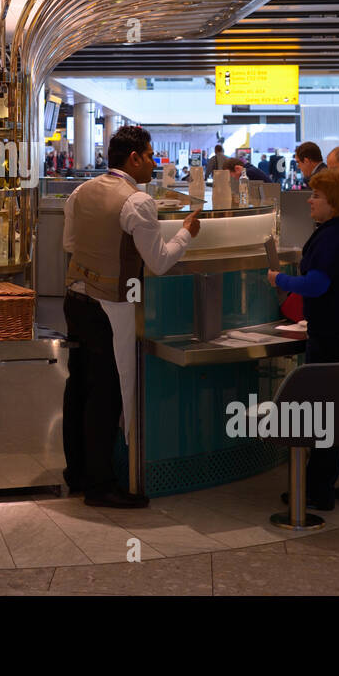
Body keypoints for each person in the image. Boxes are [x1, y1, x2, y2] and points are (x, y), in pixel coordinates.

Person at [63, 125, 202, 509]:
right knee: (107, 394)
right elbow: (158, 261)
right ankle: (100, 485)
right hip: (110, 306)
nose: (154, 163)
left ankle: (77, 473)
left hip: (75, 297)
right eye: (151, 155)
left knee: (79, 387)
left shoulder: (80, 191)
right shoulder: (137, 202)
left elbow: (69, 243)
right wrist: (186, 233)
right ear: (134, 157)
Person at [267, 169, 339, 508]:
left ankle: (318, 491)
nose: (310, 200)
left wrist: (279, 279)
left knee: (325, 413)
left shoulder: (329, 238)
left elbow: (317, 285)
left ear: (334, 202)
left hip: (336, 334)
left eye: (316, 196)